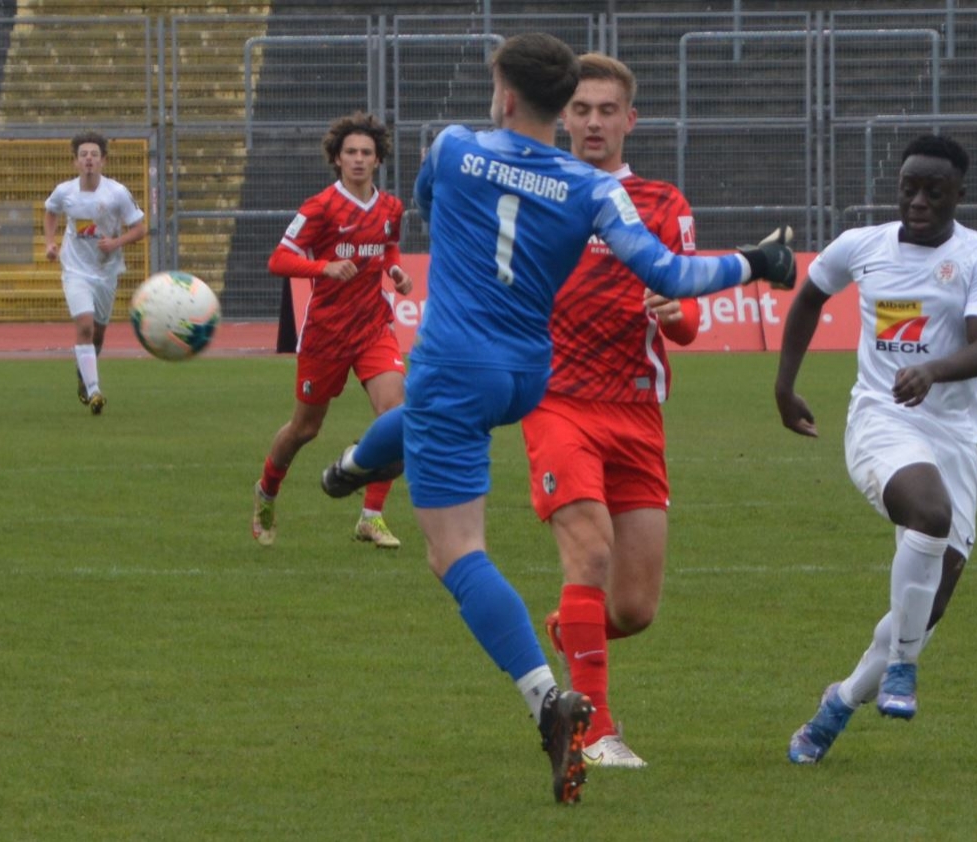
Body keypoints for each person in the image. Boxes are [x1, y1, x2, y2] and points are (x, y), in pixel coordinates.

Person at [317, 33, 797, 803]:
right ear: (561, 108)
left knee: (455, 552)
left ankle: (548, 698)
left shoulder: (452, 144)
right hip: (531, 376)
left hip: (457, 364)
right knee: (446, 425)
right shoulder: (591, 189)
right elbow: (670, 274)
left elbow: (434, 210)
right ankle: (353, 466)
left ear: (504, 95)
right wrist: (757, 262)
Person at [780, 135, 977, 764]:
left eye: (933, 191)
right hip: (881, 419)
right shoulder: (862, 246)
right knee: (929, 516)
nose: (917, 200)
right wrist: (784, 385)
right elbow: (808, 296)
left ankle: (839, 703)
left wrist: (934, 371)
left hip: (954, 435)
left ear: (958, 195)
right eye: (908, 187)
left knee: (927, 604)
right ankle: (904, 669)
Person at [531, 53, 703, 771]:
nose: (593, 122)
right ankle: (593, 730)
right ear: (562, 118)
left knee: (632, 608)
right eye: (581, 109)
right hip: (556, 401)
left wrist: (673, 307)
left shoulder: (663, 205)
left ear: (629, 120)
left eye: (607, 110)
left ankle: (570, 628)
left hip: (636, 412)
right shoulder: (537, 194)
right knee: (591, 552)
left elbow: (688, 324)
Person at [253, 112, 413, 549]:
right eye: (351, 153)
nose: (359, 160)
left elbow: (389, 244)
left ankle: (371, 516)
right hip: (326, 334)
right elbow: (279, 259)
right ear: (338, 159)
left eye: (367, 152)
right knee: (305, 429)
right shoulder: (320, 207)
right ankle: (267, 490)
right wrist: (323, 266)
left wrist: (396, 270)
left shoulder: (390, 208)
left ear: (378, 159)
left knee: (396, 416)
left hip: (373, 329)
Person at [43, 131, 149, 415]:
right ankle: (94, 391)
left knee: (98, 335)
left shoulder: (116, 193)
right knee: (85, 327)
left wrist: (115, 243)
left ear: (103, 160)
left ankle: (83, 374)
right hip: (75, 270)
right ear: (75, 162)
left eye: (93, 155)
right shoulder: (65, 191)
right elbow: (50, 211)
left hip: (106, 272)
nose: (88, 159)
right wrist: (51, 243)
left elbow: (140, 228)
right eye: (83, 155)